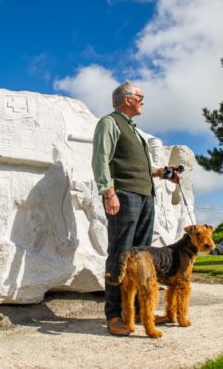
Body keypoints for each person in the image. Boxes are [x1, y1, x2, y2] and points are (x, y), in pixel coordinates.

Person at [92, 81, 180, 336]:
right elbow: (101, 159)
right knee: (120, 255)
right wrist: (109, 192)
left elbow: (142, 168)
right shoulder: (109, 123)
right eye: (141, 96)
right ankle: (115, 315)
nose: (144, 101)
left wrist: (164, 172)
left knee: (143, 258)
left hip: (145, 196)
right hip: (123, 195)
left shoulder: (135, 131)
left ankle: (141, 311)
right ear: (127, 98)